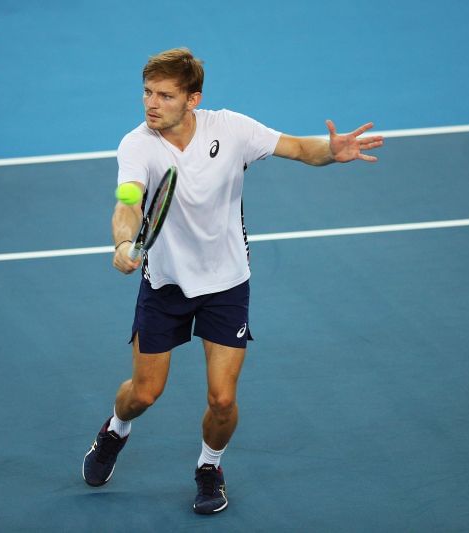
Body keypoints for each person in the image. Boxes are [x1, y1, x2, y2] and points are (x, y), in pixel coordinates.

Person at [83, 47, 383, 514]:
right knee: (144, 394)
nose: (151, 104)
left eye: (164, 95)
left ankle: (210, 466)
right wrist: (123, 245)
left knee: (222, 400)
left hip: (226, 284)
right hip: (165, 286)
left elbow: (300, 148)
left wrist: (332, 151)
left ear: (193, 99)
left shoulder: (233, 129)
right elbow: (128, 202)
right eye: (147, 93)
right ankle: (115, 431)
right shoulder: (136, 145)